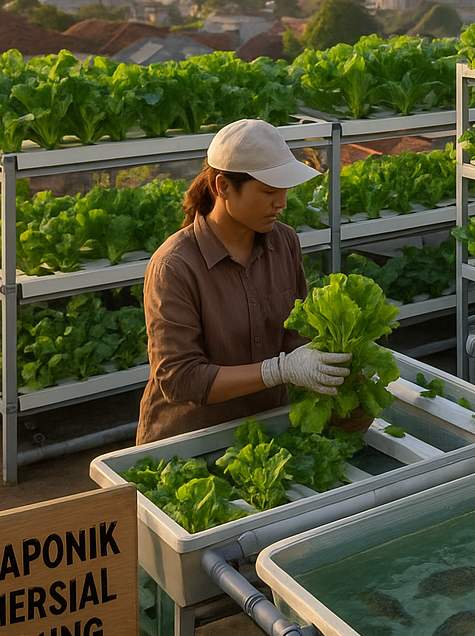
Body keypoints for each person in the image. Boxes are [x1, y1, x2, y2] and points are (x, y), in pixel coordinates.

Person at [136, 119, 351, 444]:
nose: (282, 202)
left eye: (284, 189)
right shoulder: (174, 266)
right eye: (268, 191)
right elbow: (180, 379)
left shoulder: (285, 243)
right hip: (189, 445)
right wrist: (277, 371)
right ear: (223, 186)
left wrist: (337, 359)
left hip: (267, 432)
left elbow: (295, 337)